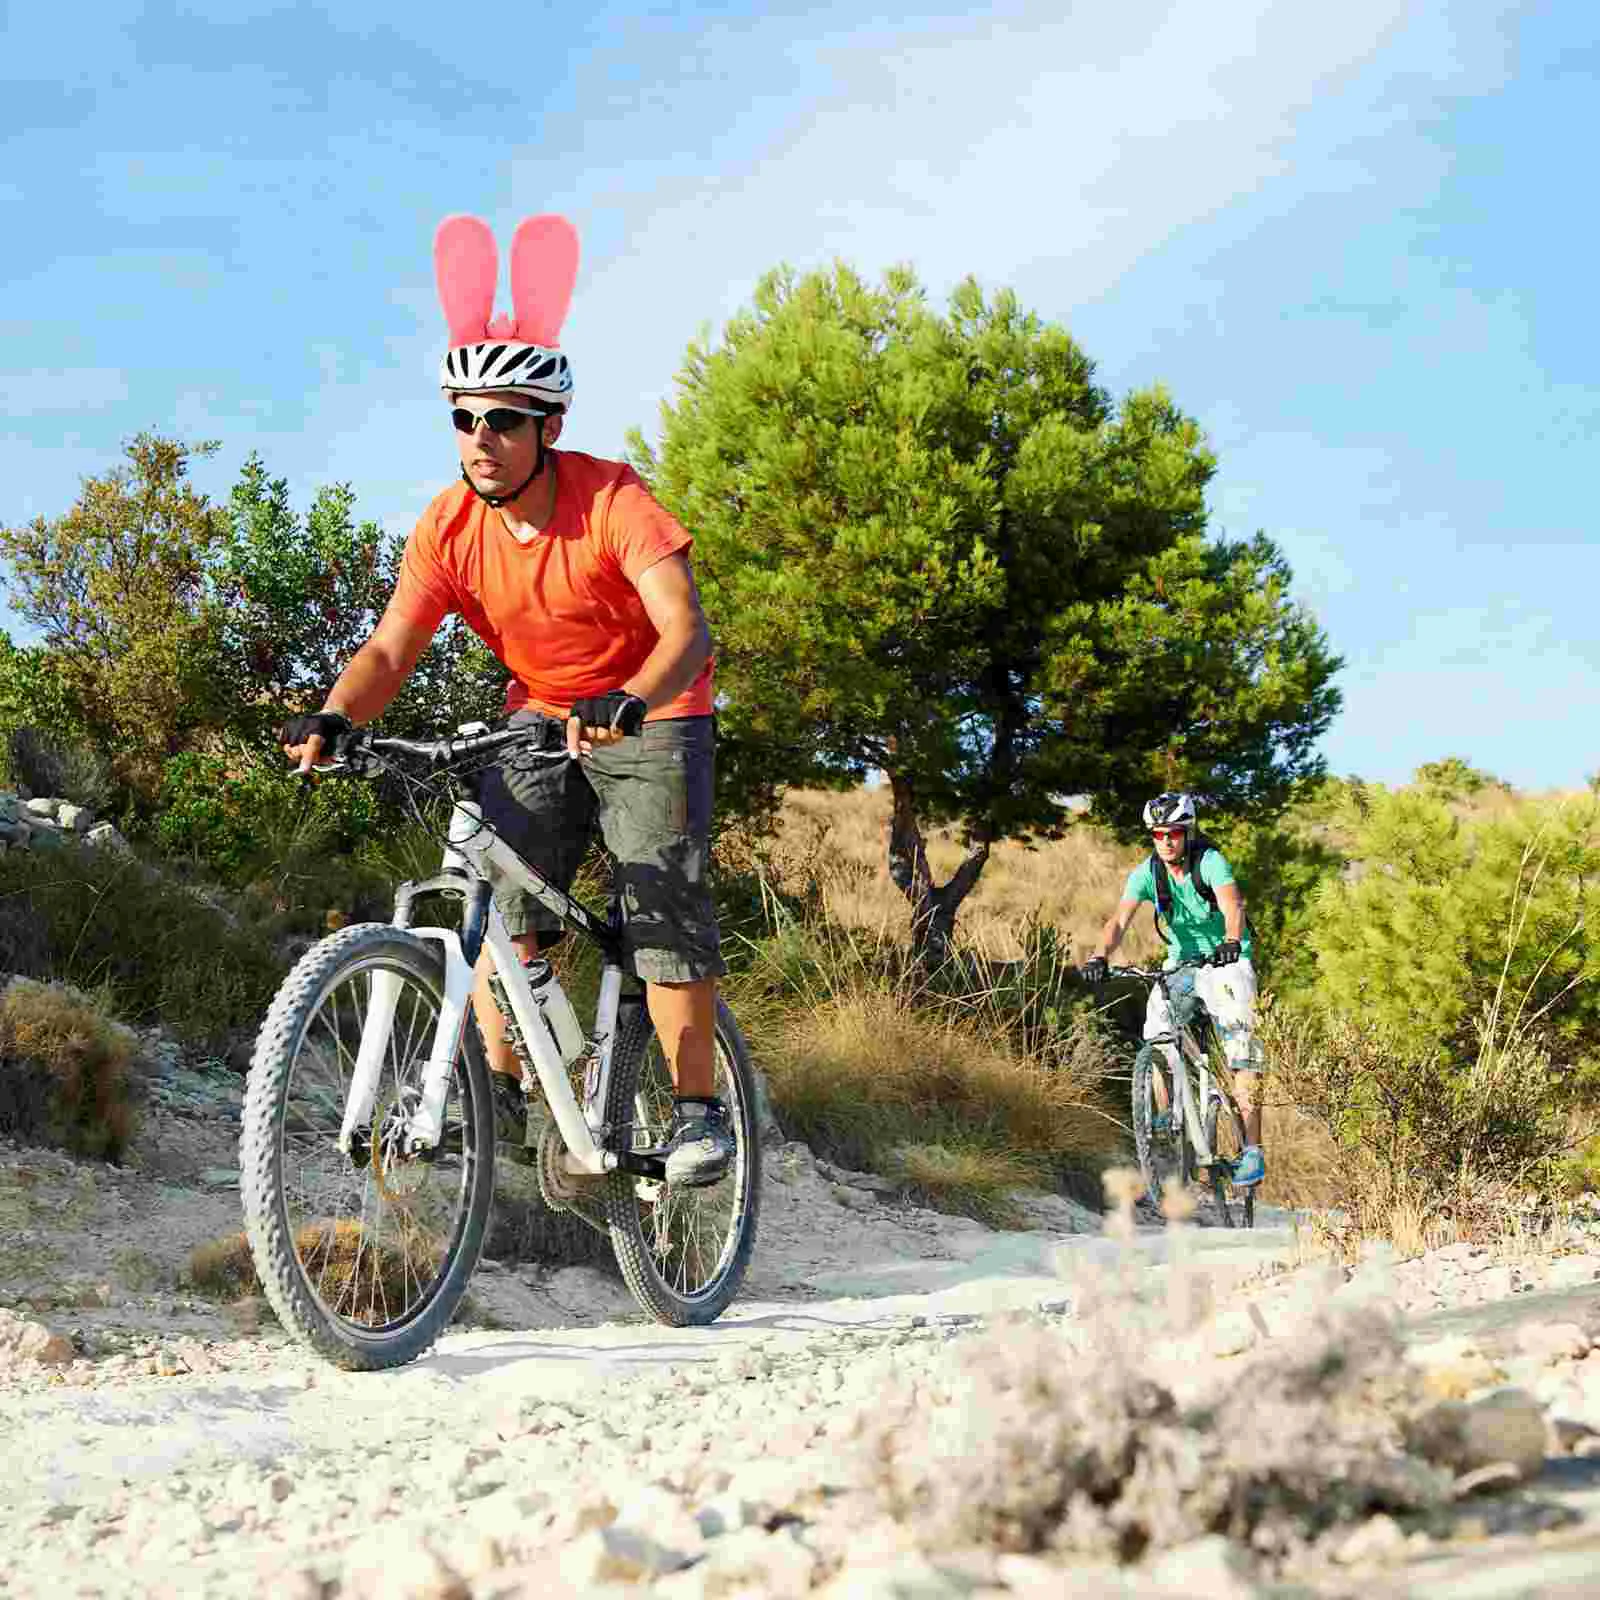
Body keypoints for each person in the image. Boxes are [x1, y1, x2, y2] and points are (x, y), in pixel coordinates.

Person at [279, 213, 733, 1188]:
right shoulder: (447, 525)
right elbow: (393, 645)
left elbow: (687, 631)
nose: (479, 438)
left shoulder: (614, 501)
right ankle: (525, 1092)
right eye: (463, 418)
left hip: (655, 708)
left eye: (503, 419)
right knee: (500, 907)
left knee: (659, 910)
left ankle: (699, 1112)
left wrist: (632, 698)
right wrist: (334, 716)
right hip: (541, 709)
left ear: (548, 429)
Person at [1082, 791, 1265, 1187]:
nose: (1166, 841)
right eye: (1159, 834)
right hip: (1180, 963)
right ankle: (1168, 1118)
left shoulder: (1210, 862)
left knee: (1241, 1051)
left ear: (1187, 833)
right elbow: (1118, 921)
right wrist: (1099, 955)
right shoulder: (1147, 873)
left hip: (1226, 962)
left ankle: (1252, 1151)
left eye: (1174, 834)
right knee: (1158, 1032)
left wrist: (1232, 941)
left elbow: (1234, 906)